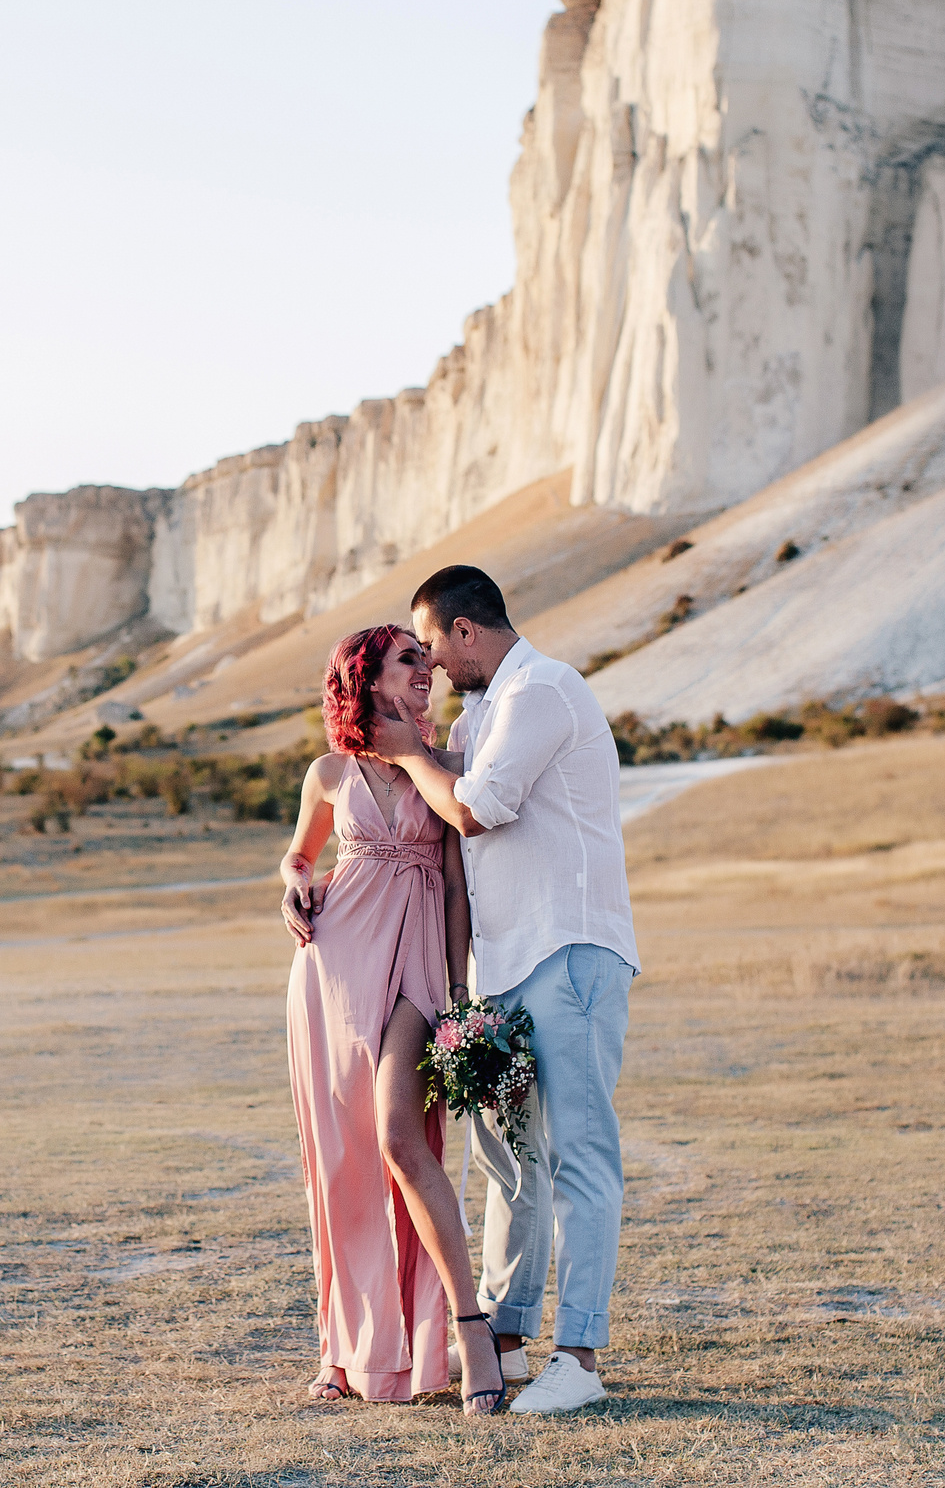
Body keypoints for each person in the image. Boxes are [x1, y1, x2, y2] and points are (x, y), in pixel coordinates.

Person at [362, 564, 638, 1417]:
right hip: (503, 970)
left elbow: (476, 807)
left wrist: (411, 749)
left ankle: (580, 1357)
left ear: (466, 631)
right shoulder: (484, 710)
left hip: (571, 951)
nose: (436, 670)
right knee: (507, 1160)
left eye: (436, 650)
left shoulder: (544, 692)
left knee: (580, 1154)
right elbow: (409, 793)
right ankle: (509, 1340)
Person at [279, 624, 506, 1415]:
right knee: (340, 1163)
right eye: (411, 659)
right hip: (332, 969)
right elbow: (301, 854)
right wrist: (292, 883)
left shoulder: (442, 767)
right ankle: (344, 1350)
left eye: (427, 658)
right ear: (368, 676)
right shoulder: (329, 771)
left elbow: (452, 885)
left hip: (414, 965)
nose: (428, 669)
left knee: (401, 1141)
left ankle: (469, 1331)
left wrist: (453, 994)